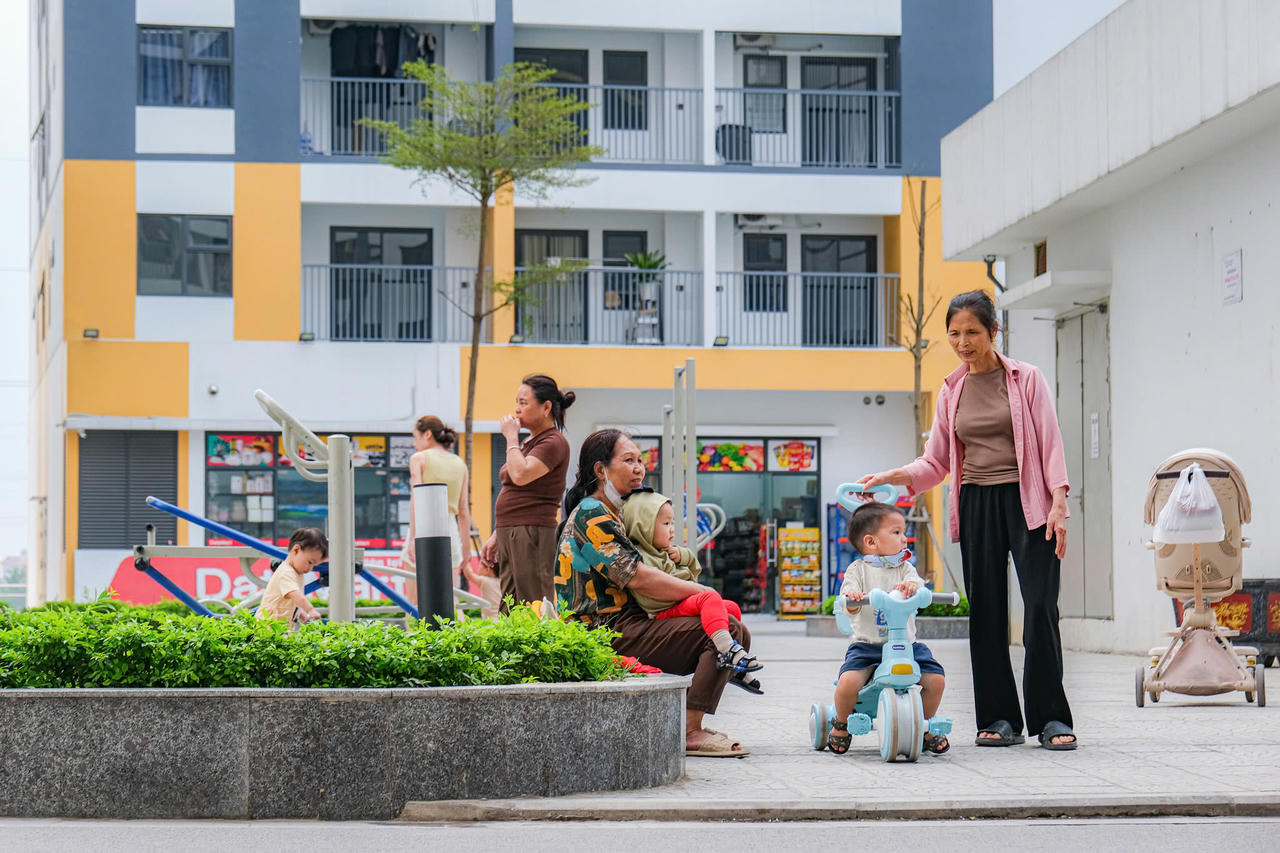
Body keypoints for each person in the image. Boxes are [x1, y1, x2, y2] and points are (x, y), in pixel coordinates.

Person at [858, 289, 1076, 750]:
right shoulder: (952, 389)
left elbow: (1051, 444)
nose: (963, 342)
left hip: (1029, 501)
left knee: (1039, 607)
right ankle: (999, 718)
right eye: (955, 334)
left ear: (994, 332)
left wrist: (1060, 504)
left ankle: (1051, 717)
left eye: (972, 332)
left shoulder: (1026, 379)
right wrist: (895, 476)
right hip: (977, 502)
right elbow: (935, 461)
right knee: (987, 613)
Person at [556, 429, 753, 758]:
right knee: (726, 630)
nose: (639, 468)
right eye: (628, 460)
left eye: (640, 461)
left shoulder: (610, 512)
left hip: (624, 624)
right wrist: (702, 591)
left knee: (728, 623)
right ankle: (689, 732)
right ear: (601, 470)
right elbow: (638, 577)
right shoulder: (593, 515)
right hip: (604, 631)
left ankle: (691, 720)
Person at [827, 502, 947, 755]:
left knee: (936, 680)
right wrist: (852, 598)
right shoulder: (857, 570)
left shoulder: (905, 567)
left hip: (906, 645)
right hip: (867, 646)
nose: (904, 539)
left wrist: (914, 588)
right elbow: (847, 597)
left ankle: (922, 724)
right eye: (896, 533)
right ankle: (841, 723)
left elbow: (916, 584)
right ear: (871, 542)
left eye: (903, 532)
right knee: (848, 683)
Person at [620, 489, 762, 684]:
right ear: (643, 526)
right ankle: (728, 650)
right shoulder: (641, 557)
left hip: (681, 603)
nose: (671, 530)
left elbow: (695, 568)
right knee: (710, 598)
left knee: (730, 608)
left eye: (672, 523)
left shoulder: (664, 551)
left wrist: (682, 554)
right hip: (665, 610)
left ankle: (730, 659)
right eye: (665, 524)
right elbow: (659, 588)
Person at [479, 375, 574, 606]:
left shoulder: (553, 442)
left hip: (532, 530)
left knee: (533, 603)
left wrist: (511, 436)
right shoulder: (530, 442)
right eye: (517, 402)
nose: (517, 409)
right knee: (510, 604)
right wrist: (496, 534)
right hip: (512, 529)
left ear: (546, 407)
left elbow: (521, 475)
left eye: (524, 403)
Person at [400, 415, 498, 615]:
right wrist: (465, 548)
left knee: (414, 603)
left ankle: (415, 645)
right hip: (450, 531)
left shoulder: (418, 459)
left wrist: (412, 539)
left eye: (415, 437)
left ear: (427, 434)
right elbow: (463, 511)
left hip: (423, 528)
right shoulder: (459, 463)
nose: (414, 443)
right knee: (449, 601)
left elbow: (417, 499)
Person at [257, 527, 328, 625]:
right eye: (310, 562)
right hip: (268, 626)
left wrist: (300, 613)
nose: (310, 568)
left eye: (314, 565)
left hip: (280, 628)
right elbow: (294, 594)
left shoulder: (296, 573)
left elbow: (291, 601)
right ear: (296, 550)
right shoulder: (286, 572)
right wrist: (310, 609)